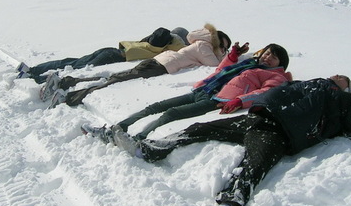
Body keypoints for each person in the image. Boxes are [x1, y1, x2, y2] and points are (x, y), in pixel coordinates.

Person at [89, 75, 351, 206]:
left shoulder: (342, 103)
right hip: (257, 117)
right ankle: (149, 149)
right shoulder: (307, 84)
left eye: (342, 81)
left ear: (347, 89)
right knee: (202, 127)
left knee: (254, 165)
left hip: (279, 132)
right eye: (336, 77)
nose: (335, 79)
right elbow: (265, 92)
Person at [81, 42, 292, 142]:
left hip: (215, 100)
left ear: (279, 64)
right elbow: (220, 71)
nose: (267, 58)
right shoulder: (248, 64)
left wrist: (239, 100)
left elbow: (263, 93)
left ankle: (138, 138)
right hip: (203, 89)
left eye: (273, 58)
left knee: (171, 114)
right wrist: (233, 56)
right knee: (154, 107)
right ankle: (118, 128)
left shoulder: (276, 77)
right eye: (267, 53)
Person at [47, 24, 232, 108]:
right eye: (223, 46)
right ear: (215, 41)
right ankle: (68, 97)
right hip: (160, 65)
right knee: (114, 81)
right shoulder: (203, 46)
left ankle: (68, 82)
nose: (223, 50)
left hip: (159, 62)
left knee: (116, 78)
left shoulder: (199, 45)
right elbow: (215, 65)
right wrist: (232, 56)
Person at [16, 27, 190, 84]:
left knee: (72, 62)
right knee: (77, 68)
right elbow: (184, 53)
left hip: (111, 51)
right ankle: (36, 78)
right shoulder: (172, 46)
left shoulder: (154, 38)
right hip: (113, 58)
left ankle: (32, 71)